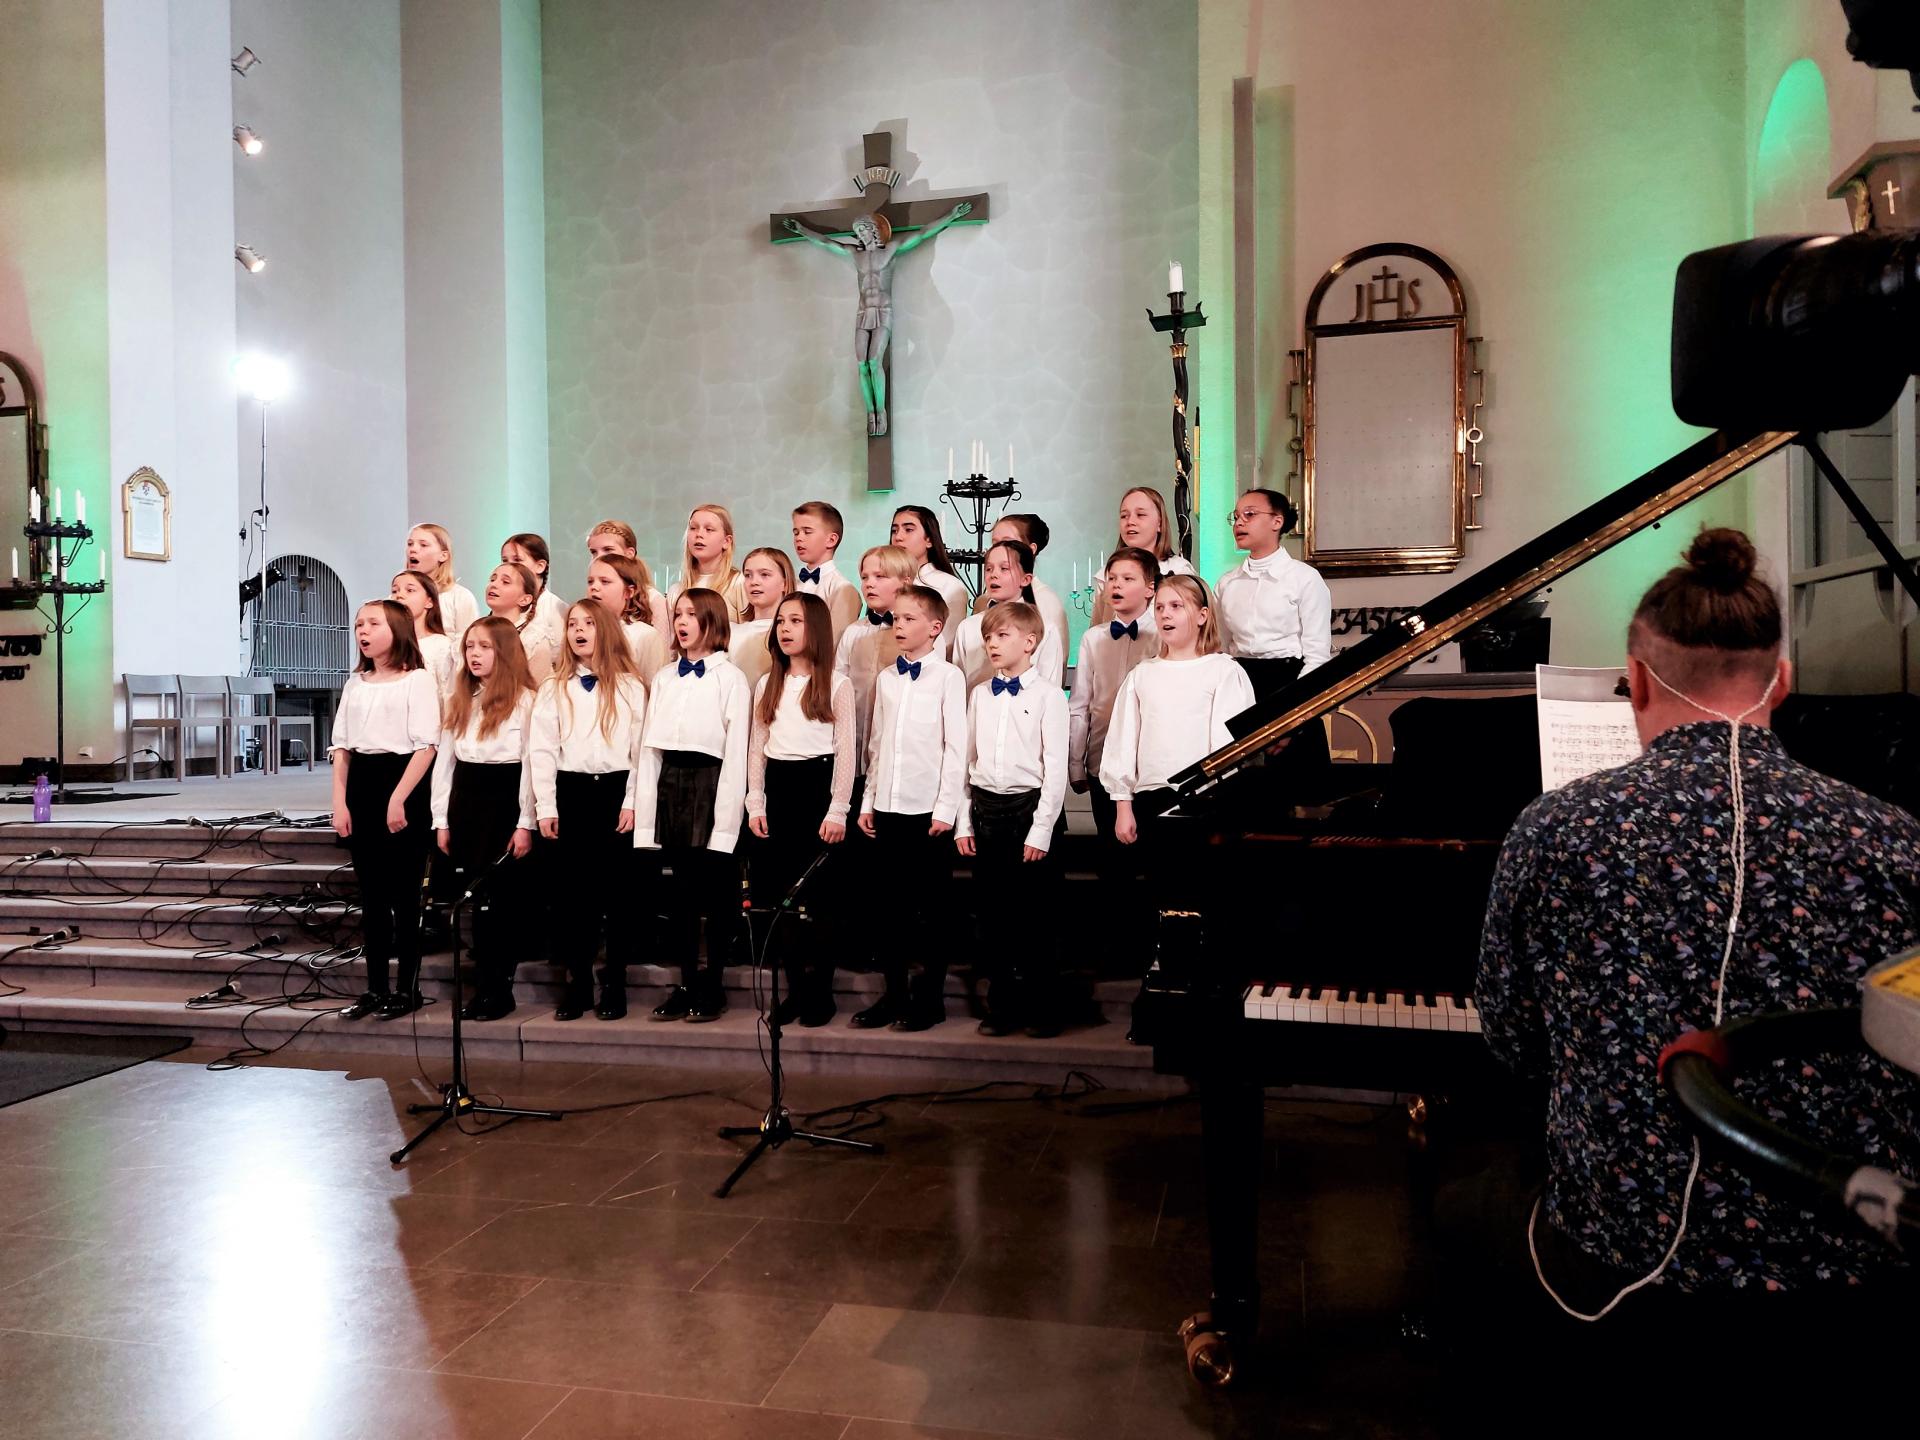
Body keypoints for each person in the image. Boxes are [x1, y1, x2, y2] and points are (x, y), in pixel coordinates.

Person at [1466, 528, 1920, 1362]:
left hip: (1620, 1247)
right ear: (1783, 681)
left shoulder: (1553, 830)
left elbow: (1513, 1042)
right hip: (1851, 1259)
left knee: (1465, 1201)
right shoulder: (1894, 838)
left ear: (1635, 681)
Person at [1099, 575, 1254, 908]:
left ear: (1202, 615)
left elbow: (1227, 747)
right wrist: (1123, 805)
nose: (1165, 614)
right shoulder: (1143, 674)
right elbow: (1122, 742)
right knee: (1159, 894)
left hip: (1204, 802)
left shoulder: (1223, 671)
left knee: (1202, 895)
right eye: (1159, 608)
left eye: (1176, 606)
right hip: (1151, 800)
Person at [635, 588, 752, 1022]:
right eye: (678, 614)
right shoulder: (665, 677)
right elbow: (650, 749)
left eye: (692, 614)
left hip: (712, 784)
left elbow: (736, 753)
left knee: (717, 896)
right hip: (671, 783)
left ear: (712, 621)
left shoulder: (731, 679)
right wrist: (644, 811)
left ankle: (713, 985)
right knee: (681, 897)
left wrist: (726, 823)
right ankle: (686, 982)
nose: (682, 622)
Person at [528, 600, 647, 1021]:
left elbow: (640, 751)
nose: (579, 630)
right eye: (573, 624)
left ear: (607, 630)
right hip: (571, 792)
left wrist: (632, 800)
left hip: (615, 792)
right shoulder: (554, 688)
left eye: (589, 623)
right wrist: (546, 804)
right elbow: (542, 749)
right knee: (573, 897)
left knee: (617, 897)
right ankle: (577, 982)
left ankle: (614, 983)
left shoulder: (631, 687)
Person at [955, 601, 1069, 1037]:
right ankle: (1001, 1004)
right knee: (993, 917)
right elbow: (966, 761)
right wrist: (964, 821)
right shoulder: (980, 694)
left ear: (1030, 642)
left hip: (1029, 810)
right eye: (988, 636)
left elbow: (1055, 768)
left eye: (1002, 635)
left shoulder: (1048, 696)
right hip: (987, 810)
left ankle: (1043, 1006)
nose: (992, 643)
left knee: (1036, 918)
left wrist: (1041, 829)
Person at [857, 584, 967, 1030]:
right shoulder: (887, 678)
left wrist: (946, 808)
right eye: (895, 618)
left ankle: (931, 998)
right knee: (889, 909)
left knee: (932, 910)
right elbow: (877, 744)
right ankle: (894, 995)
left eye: (908, 618)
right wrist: (869, 799)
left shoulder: (949, 677)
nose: (898, 625)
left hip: (928, 810)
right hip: (888, 805)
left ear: (935, 627)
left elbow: (956, 747)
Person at [745, 593, 855, 1026]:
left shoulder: (837, 685)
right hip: (779, 789)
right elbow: (757, 747)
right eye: (781, 622)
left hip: (817, 789)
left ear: (817, 629)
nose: (785, 629)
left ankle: (821, 991)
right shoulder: (766, 684)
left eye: (796, 621)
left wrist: (838, 808)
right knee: (782, 900)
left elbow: (846, 751)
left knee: (821, 901)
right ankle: (792, 989)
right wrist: (756, 799)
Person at [330, 599, 440, 1021]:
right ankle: (375, 987)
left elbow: (426, 745)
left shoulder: (417, 680)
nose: (363, 631)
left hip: (403, 782)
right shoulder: (356, 683)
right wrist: (339, 802)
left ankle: (408, 988)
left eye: (373, 623)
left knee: (405, 897)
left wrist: (398, 798)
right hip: (362, 784)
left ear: (397, 630)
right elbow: (342, 747)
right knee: (372, 898)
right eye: (359, 624)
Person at [430, 615, 537, 1021]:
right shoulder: (460, 699)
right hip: (467, 802)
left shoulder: (526, 701)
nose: (474, 654)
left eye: (484, 647)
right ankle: (482, 986)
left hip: (505, 802)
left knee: (503, 902)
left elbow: (530, 767)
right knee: (476, 900)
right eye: (470, 647)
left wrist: (525, 822)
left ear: (505, 652)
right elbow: (445, 764)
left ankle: (500, 988)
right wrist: (441, 819)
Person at [1070, 546, 1160, 952]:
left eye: (1128, 578)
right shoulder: (1093, 638)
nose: (1117, 585)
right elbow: (1080, 704)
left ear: (1150, 588)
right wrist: (1077, 764)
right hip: (1102, 759)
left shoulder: (1162, 633)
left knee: (1150, 859)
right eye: (1112, 578)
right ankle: (1116, 947)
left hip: (1149, 764)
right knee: (1112, 858)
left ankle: (1152, 946)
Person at [1214, 488, 1331, 783]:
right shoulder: (1227, 583)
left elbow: (1317, 657)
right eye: (1235, 516)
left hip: (1290, 686)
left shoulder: (1304, 578)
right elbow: (1223, 648)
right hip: (1241, 688)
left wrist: (1291, 718)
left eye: (1250, 514)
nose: (1239, 522)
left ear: (1277, 521)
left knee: (1299, 789)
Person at [951, 539, 1064, 690]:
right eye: (989, 569)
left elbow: (1050, 688)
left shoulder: (1045, 629)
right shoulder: (968, 627)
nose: (993, 575)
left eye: (1004, 568)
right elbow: (959, 687)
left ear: (1026, 579)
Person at [1092, 487, 1195, 625]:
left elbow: (1192, 627)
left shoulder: (1179, 571)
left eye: (1140, 515)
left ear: (1159, 523)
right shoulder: (1106, 575)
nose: (1130, 522)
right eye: (1124, 516)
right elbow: (1098, 627)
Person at [890, 504, 970, 645]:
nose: (898, 537)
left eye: (908, 530)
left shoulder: (950, 586)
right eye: (894, 531)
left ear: (929, 540)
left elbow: (949, 644)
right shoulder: (885, 581)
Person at [585, 552, 667, 682]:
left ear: (629, 592)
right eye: (590, 582)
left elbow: (654, 685)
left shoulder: (645, 635)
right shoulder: (581, 632)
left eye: (605, 581)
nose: (594, 587)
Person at [791, 501, 863, 639]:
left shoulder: (842, 589)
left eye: (807, 532)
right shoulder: (791, 584)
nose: (799, 538)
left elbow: (835, 640)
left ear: (831, 540)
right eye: (796, 532)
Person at [730, 546, 797, 693]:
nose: (754, 582)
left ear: (785, 583)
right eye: (748, 575)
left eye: (764, 575)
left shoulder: (793, 634)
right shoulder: (731, 632)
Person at [587, 520, 670, 637]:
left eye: (608, 550)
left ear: (629, 553)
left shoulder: (653, 600)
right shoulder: (594, 595)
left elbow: (662, 645)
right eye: (594, 552)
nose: (598, 558)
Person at [482, 560, 558, 679]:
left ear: (525, 599)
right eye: (492, 579)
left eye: (505, 582)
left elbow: (538, 686)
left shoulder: (534, 640)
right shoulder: (477, 631)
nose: (494, 585)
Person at [390, 570, 458, 700]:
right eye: (395, 591)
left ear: (429, 601)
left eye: (410, 590)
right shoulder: (388, 646)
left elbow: (447, 694)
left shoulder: (441, 645)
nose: (399, 595)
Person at [405, 523, 480, 641]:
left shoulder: (460, 597)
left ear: (443, 555)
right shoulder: (398, 596)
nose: (413, 549)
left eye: (423, 545)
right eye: (410, 544)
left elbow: (467, 641)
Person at [668, 504, 747, 615]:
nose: (699, 534)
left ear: (726, 541)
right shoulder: (676, 591)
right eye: (693, 528)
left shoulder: (740, 584)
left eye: (709, 529)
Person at [502, 532, 566, 638]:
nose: (508, 567)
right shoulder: (502, 604)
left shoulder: (556, 609)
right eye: (505, 561)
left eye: (517, 560)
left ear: (540, 566)